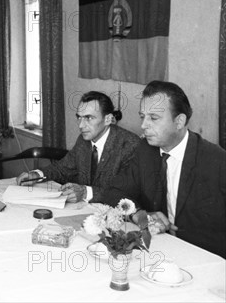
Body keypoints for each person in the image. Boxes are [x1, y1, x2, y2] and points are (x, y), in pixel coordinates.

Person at [103, 81, 226, 258]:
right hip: (160, 253)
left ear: (179, 121)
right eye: (142, 116)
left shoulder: (216, 161)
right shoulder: (145, 150)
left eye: (153, 118)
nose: (144, 125)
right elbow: (114, 192)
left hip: (207, 259)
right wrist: (138, 215)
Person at [16, 91, 139, 203]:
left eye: (89, 118)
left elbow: (127, 194)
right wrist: (37, 174)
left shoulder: (129, 145)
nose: (80, 125)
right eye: (79, 117)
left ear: (107, 119)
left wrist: (85, 192)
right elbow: (63, 168)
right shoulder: (84, 140)